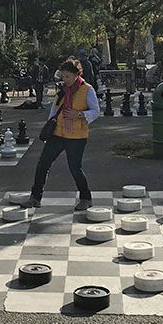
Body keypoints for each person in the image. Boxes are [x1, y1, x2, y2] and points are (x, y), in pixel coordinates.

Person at [21, 59, 101, 211]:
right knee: (43, 164)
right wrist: (50, 125)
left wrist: (79, 114)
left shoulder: (87, 89)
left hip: (77, 136)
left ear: (77, 75)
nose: (65, 80)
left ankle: (86, 198)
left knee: (75, 168)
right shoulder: (62, 89)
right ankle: (35, 197)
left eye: (68, 77)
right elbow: (54, 108)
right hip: (57, 133)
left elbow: (96, 111)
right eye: (63, 76)